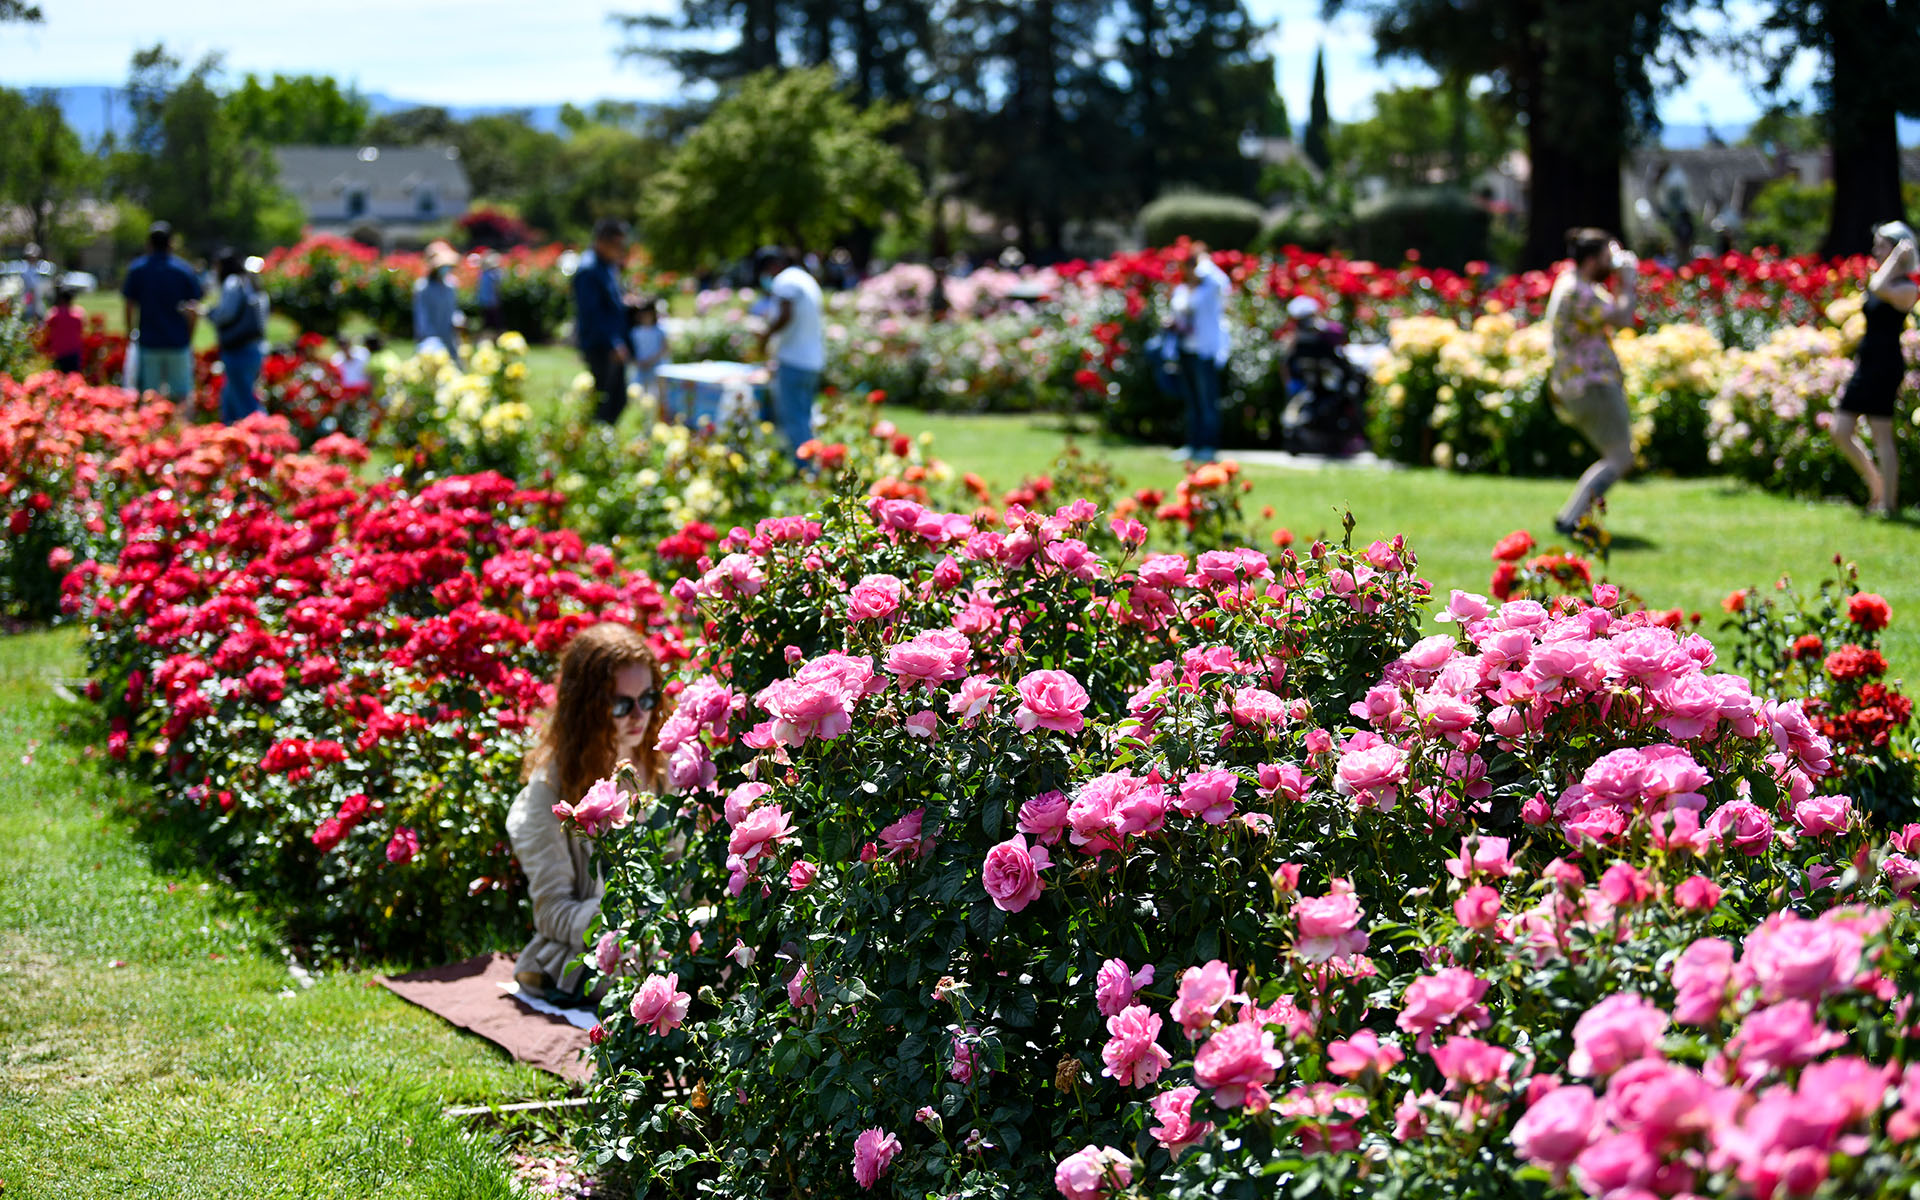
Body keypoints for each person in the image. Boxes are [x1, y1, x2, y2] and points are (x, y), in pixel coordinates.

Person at [507, 622, 668, 1002]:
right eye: (620, 704)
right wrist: (624, 924)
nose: (638, 716)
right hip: (593, 952)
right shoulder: (550, 790)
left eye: (647, 699)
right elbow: (551, 910)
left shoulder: (660, 765)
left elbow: (682, 868)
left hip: (666, 932)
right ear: (588, 709)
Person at [1546, 227, 1639, 535]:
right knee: (1621, 457)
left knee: (1616, 456)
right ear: (1592, 259)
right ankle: (1573, 520)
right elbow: (1624, 317)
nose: (1611, 263)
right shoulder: (1579, 291)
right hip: (1592, 386)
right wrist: (1628, 279)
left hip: (1583, 385)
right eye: (1607, 257)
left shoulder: (1573, 283)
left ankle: (1570, 518)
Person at [1830, 221, 1919, 516]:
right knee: (1840, 430)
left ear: (1896, 249)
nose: (1875, 250)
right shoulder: (1884, 281)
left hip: (1885, 366)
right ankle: (1876, 485)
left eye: (1882, 245)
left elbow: (1878, 287)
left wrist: (1897, 260)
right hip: (1866, 363)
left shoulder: (1906, 287)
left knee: (1882, 434)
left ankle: (1888, 503)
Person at [120, 221, 204, 404]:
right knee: (181, 396)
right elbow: (193, 309)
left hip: (149, 341)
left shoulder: (138, 269)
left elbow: (129, 304)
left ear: (149, 243)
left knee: (150, 396)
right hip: (178, 341)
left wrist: (129, 333)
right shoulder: (183, 270)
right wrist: (189, 337)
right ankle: (180, 430)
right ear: (171, 243)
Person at [754, 247, 825, 458]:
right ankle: (812, 463)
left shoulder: (785, 281)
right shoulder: (806, 279)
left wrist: (765, 337)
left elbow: (786, 314)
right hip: (813, 361)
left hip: (794, 361)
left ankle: (804, 468)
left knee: (794, 419)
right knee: (804, 417)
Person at [1170, 242, 1231, 462]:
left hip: (1205, 351)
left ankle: (1209, 444)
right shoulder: (1182, 290)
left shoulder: (1210, 290)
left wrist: (1205, 260)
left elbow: (1221, 281)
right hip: (1185, 350)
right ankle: (1193, 443)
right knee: (1192, 400)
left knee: (1207, 400)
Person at [574, 218, 634, 424]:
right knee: (605, 402)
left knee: (619, 399)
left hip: (613, 342)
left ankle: (604, 443)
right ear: (602, 241)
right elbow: (591, 314)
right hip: (601, 345)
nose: (621, 250)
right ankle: (597, 444)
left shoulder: (607, 265)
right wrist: (613, 343)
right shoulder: (588, 270)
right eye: (617, 244)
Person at [208, 249, 270, 424]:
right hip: (254, 347)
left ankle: (265, 435)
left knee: (246, 404)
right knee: (231, 401)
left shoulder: (233, 283)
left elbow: (225, 314)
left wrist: (208, 313)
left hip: (238, 349)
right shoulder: (251, 283)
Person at [413, 241, 462, 368]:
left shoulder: (451, 286)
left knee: (453, 365)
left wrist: (458, 319)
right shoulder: (423, 287)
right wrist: (428, 336)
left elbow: (454, 309)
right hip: (430, 335)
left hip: (449, 334)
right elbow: (421, 314)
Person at [628, 298, 668, 403]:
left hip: (656, 366)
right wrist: (637, 361)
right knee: (637, 393)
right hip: (640, 367)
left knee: (655, 395)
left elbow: (665, 348)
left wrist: (651, 360)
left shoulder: (659, 331)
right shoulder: (635, 332)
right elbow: (631, 349)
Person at [42, 286, 86, 375]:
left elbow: (45, 329)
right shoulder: (78, 314)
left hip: (58, 352)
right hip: (74, 352)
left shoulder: (53, 314)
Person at [477, 251, 504, 334]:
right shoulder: (489, 274)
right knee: (493, 321)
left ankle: (494, 336)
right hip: (490, 302)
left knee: (492, 321)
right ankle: (494, 336)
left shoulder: (486, 274)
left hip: (489, 302)